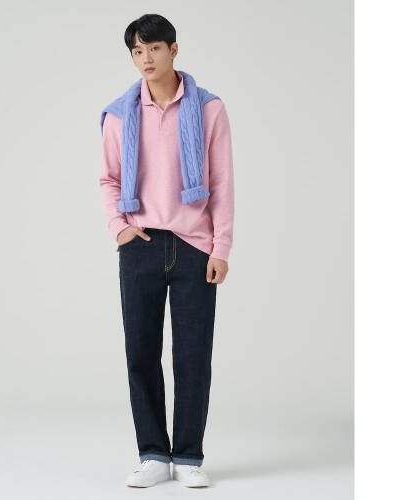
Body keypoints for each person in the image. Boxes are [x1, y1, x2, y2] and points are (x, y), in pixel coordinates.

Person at [98, 13, 234, 488]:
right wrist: (119, 229)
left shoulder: (209, 109)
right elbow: (108, 179)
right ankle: (153, 453)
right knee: (141, 353)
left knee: (193, 356)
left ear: (173, 50)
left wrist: (221, 247)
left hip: (195, 245)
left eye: (153, 48)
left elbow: (222, 182)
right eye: (137, 51)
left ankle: (189, 456)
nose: (146, 58)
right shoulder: (119, 114)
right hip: (141, 245)